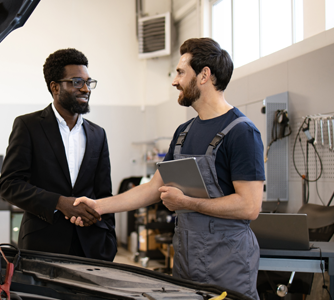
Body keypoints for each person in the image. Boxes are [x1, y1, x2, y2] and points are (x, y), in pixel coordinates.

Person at [71, 38, 265, 298]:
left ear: (204, 75)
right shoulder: (184, 132)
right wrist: (98, 206)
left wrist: (187, 203)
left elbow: (249, 206)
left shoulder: (242, 132)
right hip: (186, 256)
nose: (175, 81)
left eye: (181, 72)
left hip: (228, 261)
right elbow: (153, 187)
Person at [0, 48, 117, 261]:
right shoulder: (28, 126)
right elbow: (10, 185)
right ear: (55, 87)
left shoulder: (98, 134)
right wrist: (58, 202)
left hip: (92, 247)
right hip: (42, 245)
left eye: (89, 83)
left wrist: (109, 238)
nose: (86, 89)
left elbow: (103, 193)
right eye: (77, 82)